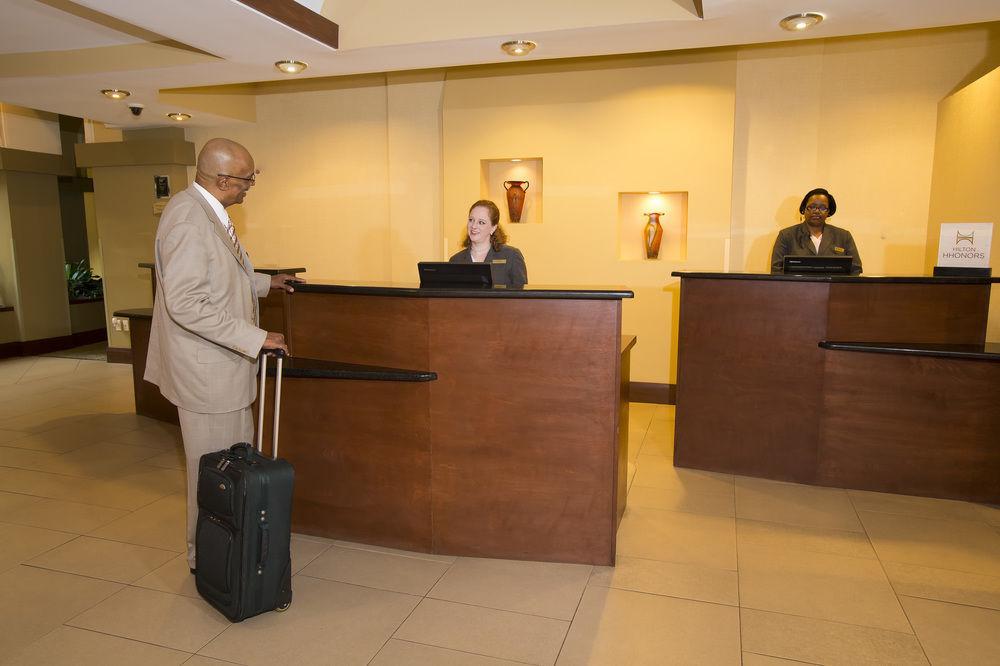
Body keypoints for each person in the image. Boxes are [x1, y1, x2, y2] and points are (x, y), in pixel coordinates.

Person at [144, 138, 302, 573]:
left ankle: (227, 549)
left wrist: (266, 283)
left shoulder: (207, 213)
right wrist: (256, 338)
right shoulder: (187, 220)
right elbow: (188, 302)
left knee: (231, 469)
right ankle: (208, 561)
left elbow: (221, 276)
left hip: (221, 373)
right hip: (207, 377)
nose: (251, 186)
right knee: (214, 475)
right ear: (223, 179)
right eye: (248, 179)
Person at [770, 187, 862, 274]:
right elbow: (776, 270)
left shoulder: (843, 236)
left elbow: (855, 269)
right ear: (804, 209)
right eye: (812, 207)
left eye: (822, 208)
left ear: (828, 212)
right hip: (795, 289)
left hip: (834, 289)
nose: (817, 211)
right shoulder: (786, 236)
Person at [449, 199, 528, 287]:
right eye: (471, 220)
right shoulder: (455, 260)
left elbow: (522, 297)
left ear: (493, 228)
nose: (474, 226)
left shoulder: (512, 256)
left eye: (481, 222)